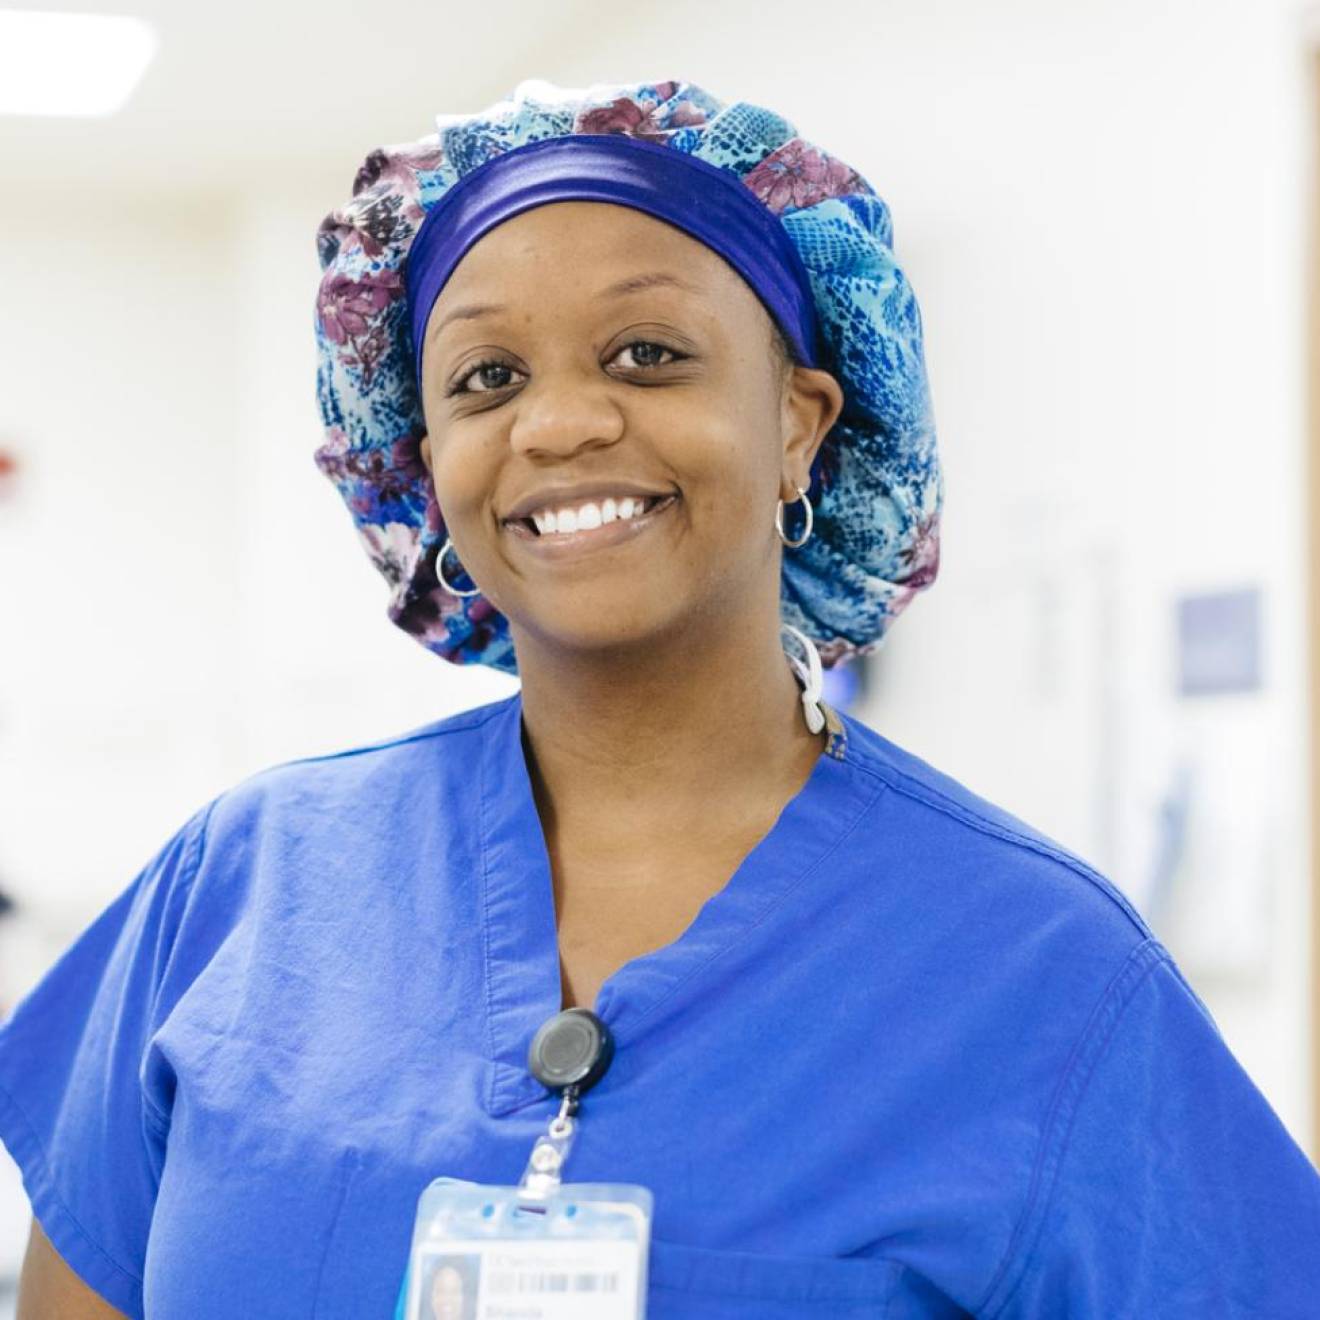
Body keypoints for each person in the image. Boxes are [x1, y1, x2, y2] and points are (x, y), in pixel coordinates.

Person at [3, 77, 1318, 1320]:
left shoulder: (1041, 972)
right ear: (425, 458)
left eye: (646, 353)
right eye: (486, 378)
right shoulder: (246, 883)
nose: (558, 424)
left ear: (799, 423)